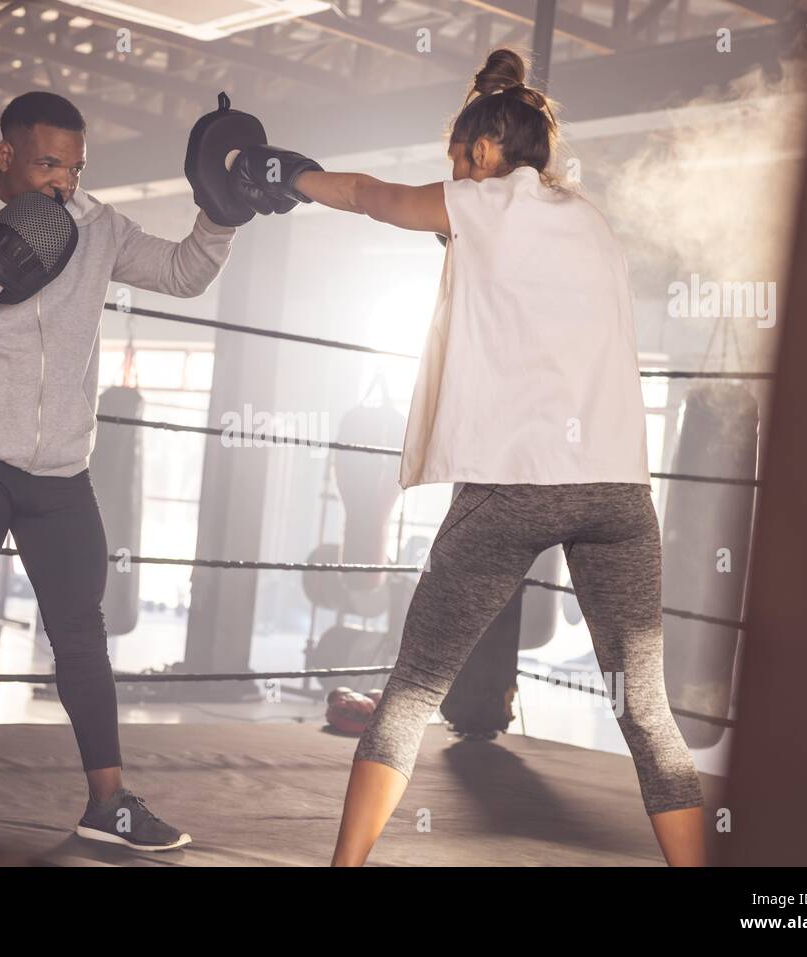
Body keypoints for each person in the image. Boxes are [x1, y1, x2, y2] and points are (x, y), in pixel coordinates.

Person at [228, 47, 706, 866]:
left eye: (455, 161)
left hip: (519, 486)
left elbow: (375, 199)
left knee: (412, 691)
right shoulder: (591, 221)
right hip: (619, 494)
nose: (450, 178)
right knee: (648, 711)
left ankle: (344, 868)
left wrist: (281, 173)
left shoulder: (485, 203)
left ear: (483, 153)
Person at [0, 91, 239, 850]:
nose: (64, 185)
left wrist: (222, 213)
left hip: (61, 471)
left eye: (76, 169)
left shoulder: (97, 227)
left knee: (82, 631)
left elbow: (182, 272)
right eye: (49, 164)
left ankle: (107, 802)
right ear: (5, 154)